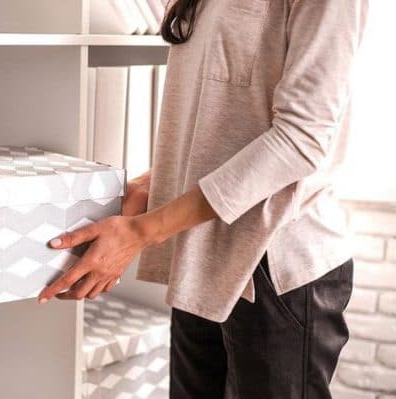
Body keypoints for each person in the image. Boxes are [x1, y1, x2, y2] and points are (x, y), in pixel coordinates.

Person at [38, 0, 369, 397]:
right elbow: (226, 113)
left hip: (273, 268)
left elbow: (300, 140)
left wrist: (142, 232)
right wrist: (153, 184)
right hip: (201, 250)